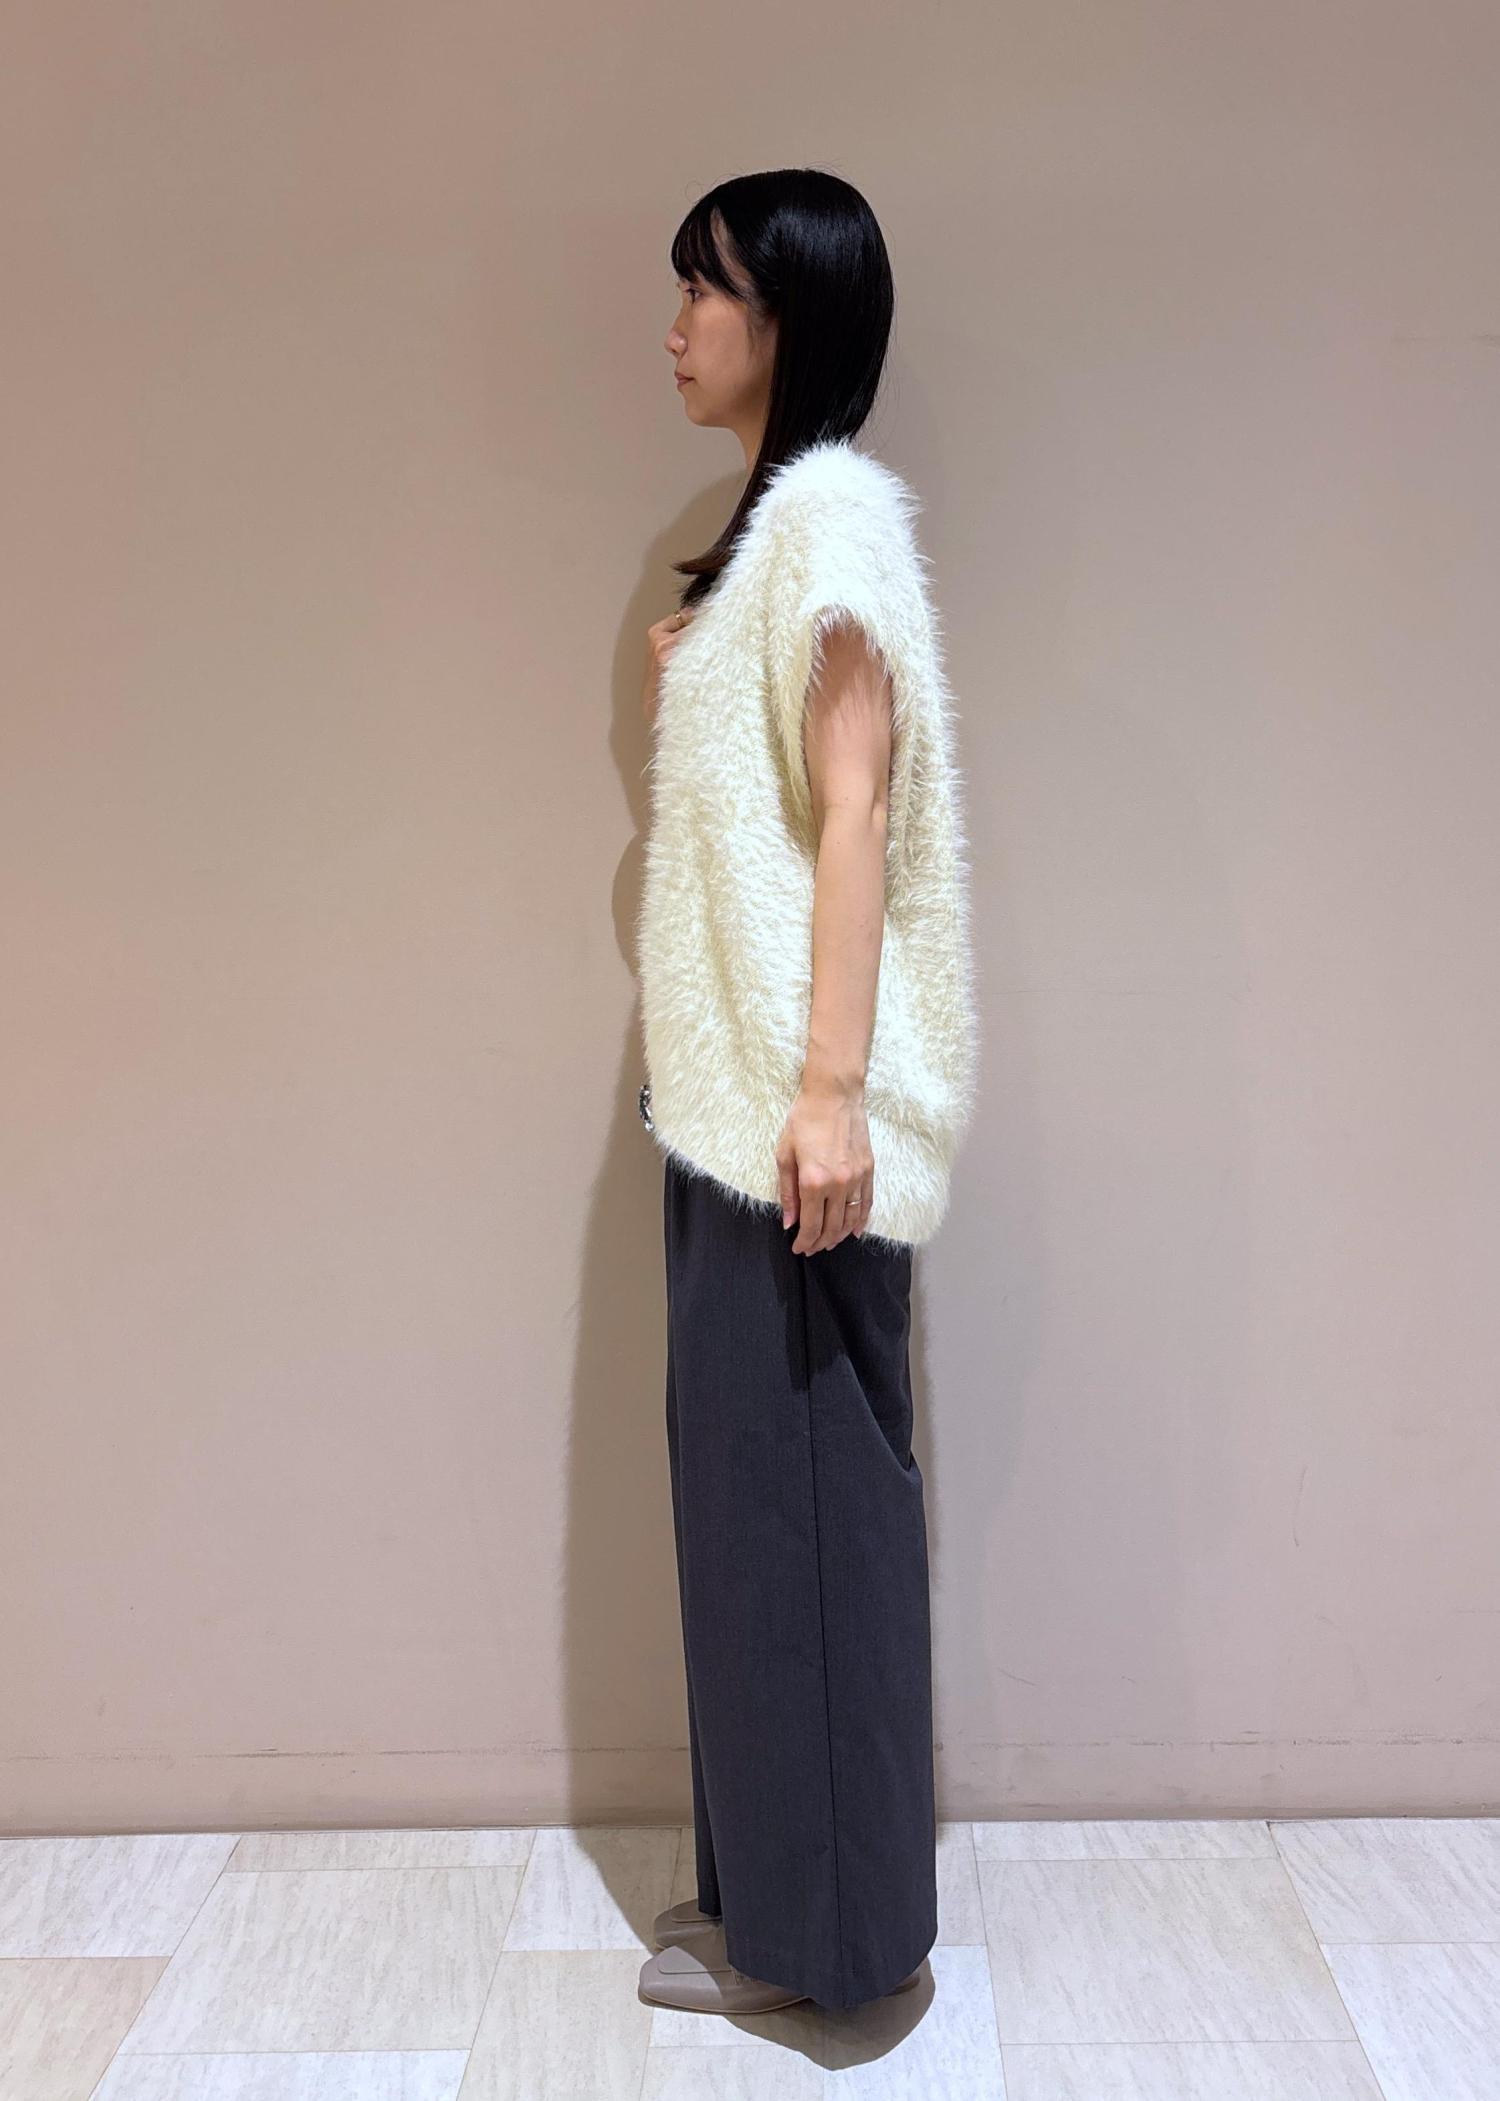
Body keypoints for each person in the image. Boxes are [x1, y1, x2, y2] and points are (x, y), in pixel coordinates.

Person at [634, 168, 980, 2016]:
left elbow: (859, 804)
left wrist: (832, 1091)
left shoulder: (830, 514)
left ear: (792, 315)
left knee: (806, 1513)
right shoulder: (775, 541)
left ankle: (833, 1953)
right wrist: (695, 670)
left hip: (790, 1125)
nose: (676, 325)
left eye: (705, 289)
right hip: (730, 1112)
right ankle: (775, 1902)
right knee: (751, 1502)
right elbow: (769, 807)